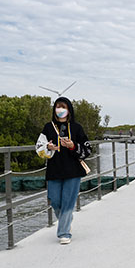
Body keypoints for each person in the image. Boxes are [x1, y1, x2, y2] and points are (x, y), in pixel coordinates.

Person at [35, 97, 92, 244]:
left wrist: (73, 146)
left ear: (69, 109)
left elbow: (88, 149)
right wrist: (48, 147)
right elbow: (38, 147)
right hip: (54, 170)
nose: (60, 110)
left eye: (63, 107)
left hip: (73, 170)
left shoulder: (77, 128)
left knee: (68, 202)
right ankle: (67, 221)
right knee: (54, 201)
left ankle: (64, 233)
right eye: (58, 107)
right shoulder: (48, 127)